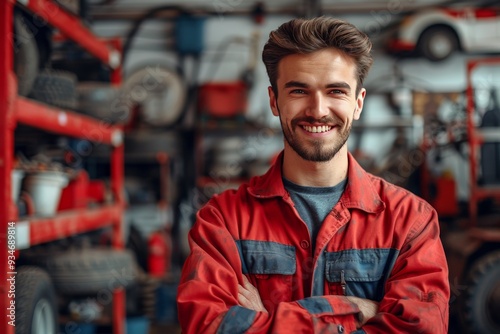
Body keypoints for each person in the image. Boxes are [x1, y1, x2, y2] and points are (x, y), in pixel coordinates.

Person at [177, 16, 450, 333]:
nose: (318, 110)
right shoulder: (222, 221)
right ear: (274, 101)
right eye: (298, 91)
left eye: (335, 91)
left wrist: (269, 318)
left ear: (358, 103)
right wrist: (358, 311)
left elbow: (420, 328)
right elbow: (206, 325)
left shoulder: (410, 222)